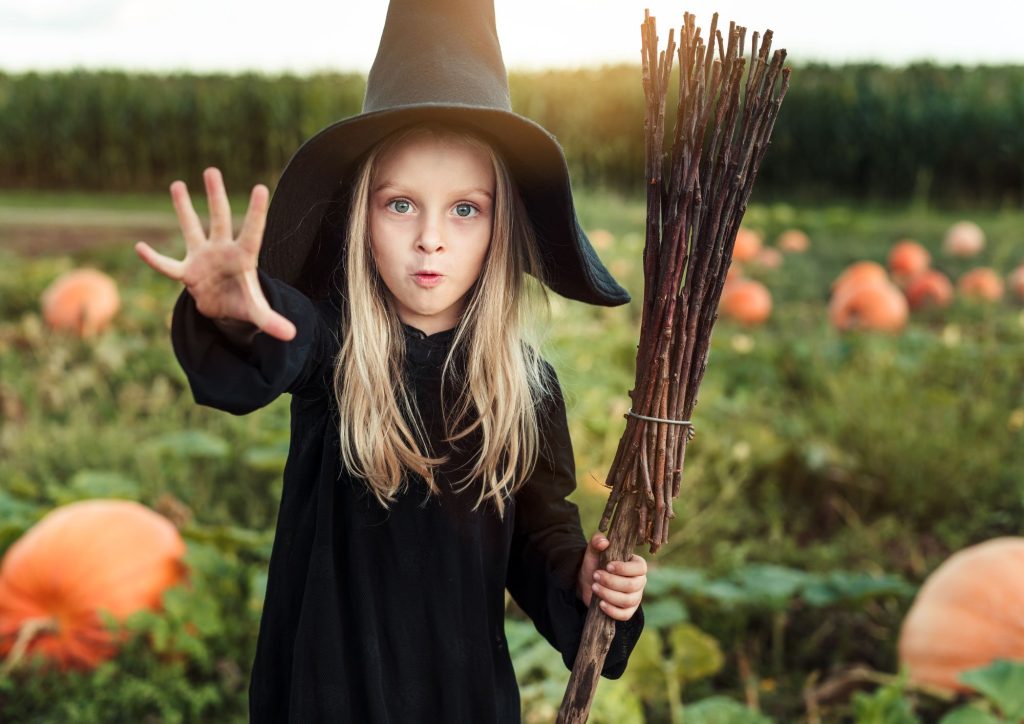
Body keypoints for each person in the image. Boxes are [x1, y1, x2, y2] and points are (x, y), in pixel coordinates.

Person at [135, 1, 647, 721]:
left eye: (465, 209)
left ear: (502, 227)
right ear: (359, 217)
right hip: (323, 695)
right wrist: (232, 308)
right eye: (400, 205)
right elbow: (280, 340)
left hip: (458, 699)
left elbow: (541, 538)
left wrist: (586, 580)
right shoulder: (334, 348)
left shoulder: (524, 388)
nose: (430, 239)